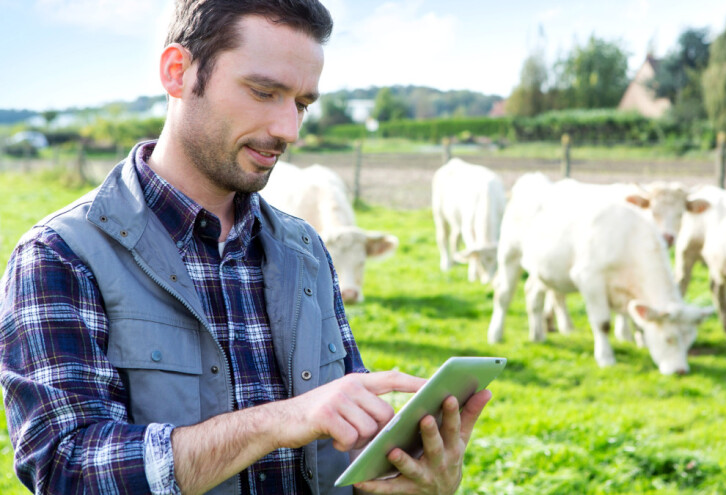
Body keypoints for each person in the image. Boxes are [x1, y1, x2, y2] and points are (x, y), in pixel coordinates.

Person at [0, 1, 492, 493]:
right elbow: (67, 469)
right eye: (264, 92)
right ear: (178, 73)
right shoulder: (60, 255)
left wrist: (403, 472)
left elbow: (343, 436)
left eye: (301, 104)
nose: (289, 130)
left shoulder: (306, 249)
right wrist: (278, 421)